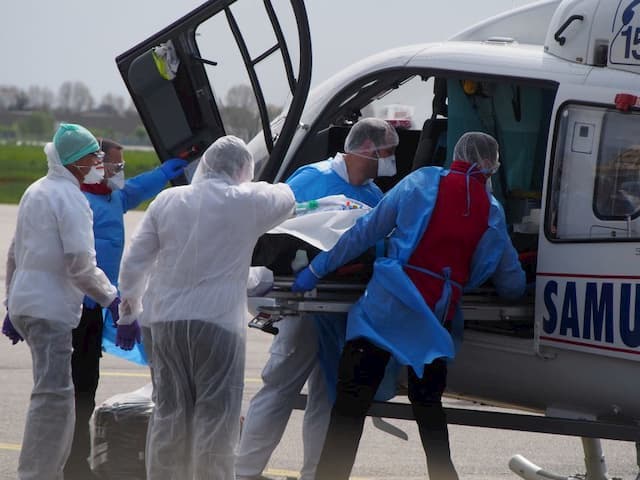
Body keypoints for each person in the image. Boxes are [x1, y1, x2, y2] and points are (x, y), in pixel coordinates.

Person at [292, 131, 526, 480]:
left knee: (350, 406)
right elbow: (511, 283)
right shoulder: (491, 212)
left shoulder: (421, 182)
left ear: (457, 155)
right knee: (429, 409)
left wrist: (316, 268)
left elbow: (364, 233)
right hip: (432, 319)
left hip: (385, 309)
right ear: (490, 165)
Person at [117, 135, 295, 479]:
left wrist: (128, 313)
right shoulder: (248, 201)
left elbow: (135, 262)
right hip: (216, 326)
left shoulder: (167, 200)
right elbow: (287, 197)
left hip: (163, 322)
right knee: (215, 418)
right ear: (243, 169)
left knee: (169, 412)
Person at [236, 117, 398, 480]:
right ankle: (243, 471)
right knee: (280, 387)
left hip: (341, 309)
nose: (391, 161)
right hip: (302, 302)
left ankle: (316, 474)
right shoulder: (313, 178)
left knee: (327, 395)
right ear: (367, 150)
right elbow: (271, 230)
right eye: (387, 153)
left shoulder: (374, 197)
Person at [2, 123, 121, 480]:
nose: (99, 161)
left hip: (29, 304)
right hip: (50, 310)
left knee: (52, 395)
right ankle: (38, 474)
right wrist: (112, 298)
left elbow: (13, 253)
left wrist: (12, 303)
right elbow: (80, 265)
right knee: (54, 402)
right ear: (74, 160)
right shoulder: (71, 199)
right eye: (93, 156)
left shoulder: (36, 190)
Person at [64, 137, 188, 480]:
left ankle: (75, 461)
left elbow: (138, 187)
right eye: (113, 165)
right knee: (75, 389)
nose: (119, 171)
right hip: (77, 307)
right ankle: (70, 464)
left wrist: (166, 170)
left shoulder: (114, 197)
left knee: (86, 386)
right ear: (95, 164)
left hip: (97, 306)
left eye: (121, 165)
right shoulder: (78, 202)